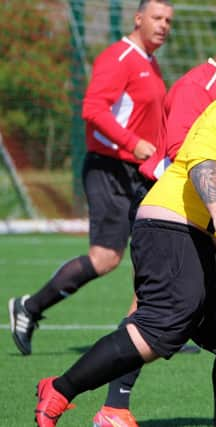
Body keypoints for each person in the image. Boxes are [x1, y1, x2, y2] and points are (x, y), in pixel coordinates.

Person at [33, 48, 216, 427]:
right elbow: (203, 160)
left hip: (213, 243)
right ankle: (60, 389)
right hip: (175, 226)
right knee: (162, 326)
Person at [8, 0, 173, 355]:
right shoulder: (118, 57)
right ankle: (30, 307)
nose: (164, 25)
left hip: (141, 171)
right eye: (157, 18)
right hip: (109, 168)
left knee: (155, 246)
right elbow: (92, 109)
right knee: (106, 258)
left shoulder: (150, 62)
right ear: (138, 18)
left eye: (169, 21)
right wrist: (132, 143)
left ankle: (146, 332)